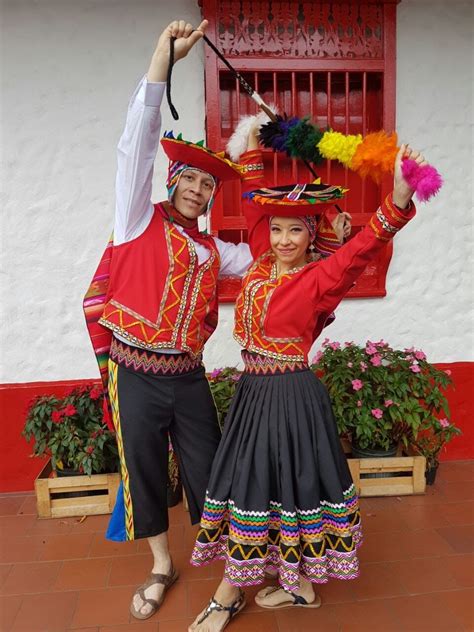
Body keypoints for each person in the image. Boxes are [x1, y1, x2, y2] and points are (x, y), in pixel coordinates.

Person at [188, 128, 428, 631]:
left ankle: (228, 593)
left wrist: (400, 197)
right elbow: (255, 207)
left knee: (257, 485)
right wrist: (252, 142)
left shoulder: (318, 279)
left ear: (310, 234)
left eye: (296, 231)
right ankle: (299, 588)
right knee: (275, 484)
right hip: (255, 392)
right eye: (278, 230)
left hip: (290, 395)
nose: (283, 240)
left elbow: (364, 246)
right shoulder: (262, 259)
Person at [83, 19, 258, 621]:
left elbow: (273, 252)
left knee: (213, 467)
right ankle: (162, 564)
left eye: (209, 185)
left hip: (186, 376)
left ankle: (233, 566)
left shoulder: (215, 251)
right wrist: (164, 57)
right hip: (134, 371)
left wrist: (319, 232)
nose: (198, 190)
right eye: (191, 179)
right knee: (144, 469)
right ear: (172, 179)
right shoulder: (136, 218)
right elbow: (136, 139)